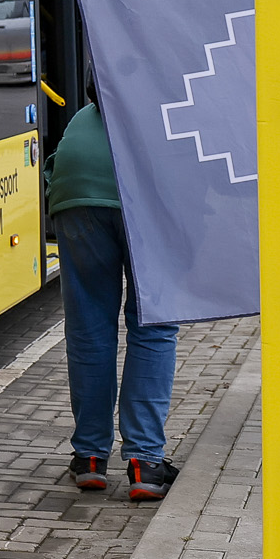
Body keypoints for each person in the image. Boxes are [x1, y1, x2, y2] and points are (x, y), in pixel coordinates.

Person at [47, 73, 179, 500]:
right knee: (153, 326)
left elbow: (51, 171)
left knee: (89, 331)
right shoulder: (160, 118)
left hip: (77, 192)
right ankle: (145, 462)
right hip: (143, 199)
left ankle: (89, 458)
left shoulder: (80, 122)